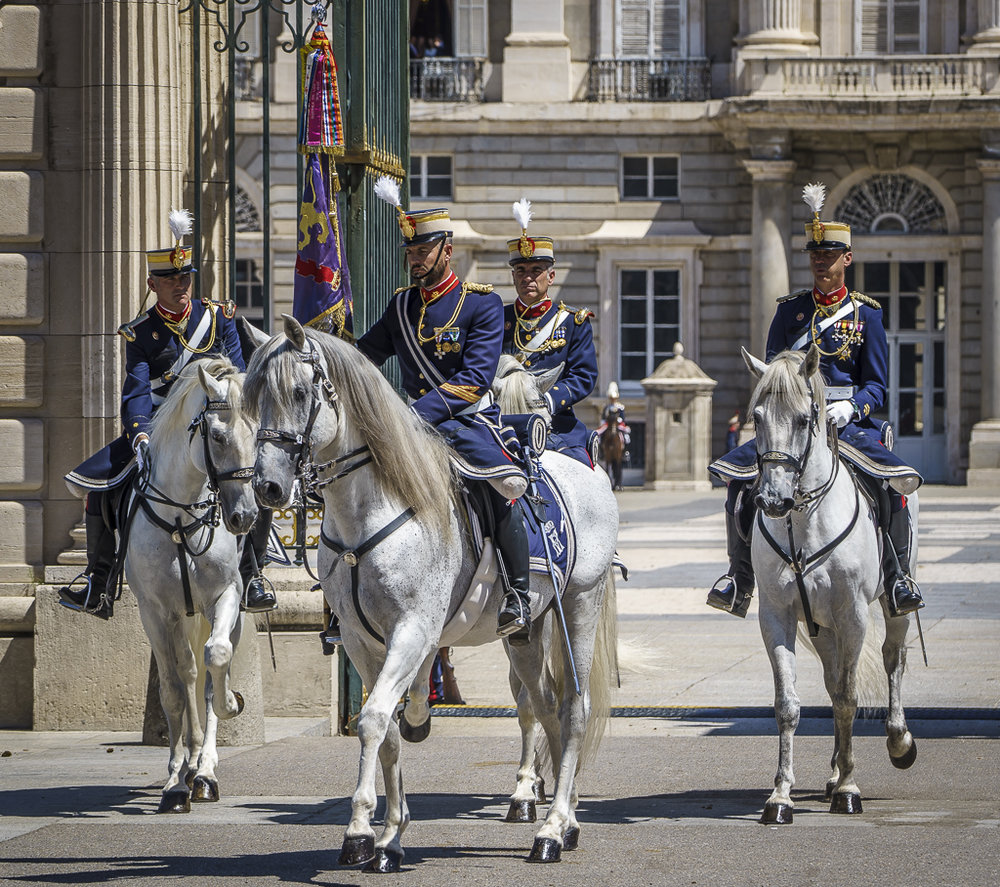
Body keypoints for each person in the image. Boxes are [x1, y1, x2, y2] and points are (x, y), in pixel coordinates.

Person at [707, 182, 923, 620]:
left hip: (846, 424)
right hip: (793, 422)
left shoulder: (868, 315)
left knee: (891, 484)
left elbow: (877, 386)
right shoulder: (790, 313)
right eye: (815, 256)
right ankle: (739, 576)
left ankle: (898, 577)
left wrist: (852, 406)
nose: (821, 263)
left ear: (847, 259)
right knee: (738, 482)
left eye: (829, 256)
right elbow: (771, 373)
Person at [58, 210, 277, 619]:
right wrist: (140, 435)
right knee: (99, 491)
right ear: (152, 285)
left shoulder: (218, 317)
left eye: (186, 278)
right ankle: (98, 581)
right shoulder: (140, 332)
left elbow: (236, 372)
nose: (181, 286)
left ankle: (252, 574)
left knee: (254, 480)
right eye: (172, 280)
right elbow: (137, 391)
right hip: (161, 427)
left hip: (216, 421)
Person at [361, 181, 532, 644]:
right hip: (410, 424)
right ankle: (348, 603)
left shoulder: (481, 304)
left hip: (465, 420)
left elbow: (473, 380)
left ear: (447, 250)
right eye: (410, 251)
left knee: (499, 484)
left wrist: (414, 415)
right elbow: (365, 357)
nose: (415, 259)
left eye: (424, 250)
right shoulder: (401, 306)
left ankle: (518, 591)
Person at [502, 199, 597, 465]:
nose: (527, 277)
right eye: (520, 271)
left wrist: (547, 401)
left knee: (580, 474)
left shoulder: (572, 322)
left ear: (551, 277)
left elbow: (584, 376)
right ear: (513, 277)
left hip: (555, 423)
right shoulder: (498, 319)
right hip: (502, 420)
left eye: (536, 271)